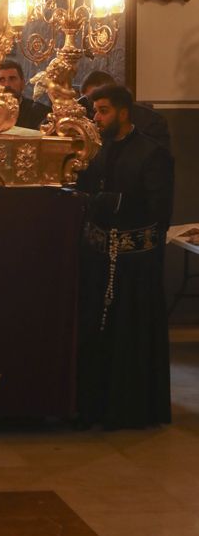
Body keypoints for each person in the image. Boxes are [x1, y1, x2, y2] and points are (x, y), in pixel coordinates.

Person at [76, 83, 174, 430]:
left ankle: (131, 410)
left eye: (103, 111)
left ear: (123, 112)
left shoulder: (151, 153)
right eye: (95, 111)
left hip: (136, 267)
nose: (97, 118)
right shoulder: (98, 150)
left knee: (130, 335)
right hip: (100, 260)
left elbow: (159, 211)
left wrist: (114, 204)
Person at [79, 69, 170, 150]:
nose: (96, 118)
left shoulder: (152, 122)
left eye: (103, 110)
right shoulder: (87, 115)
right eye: (90, 100)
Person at [0, 59, 47, 129]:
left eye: (12, 79)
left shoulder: (39, 113)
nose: (7, 84)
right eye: (1, 80)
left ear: (22, 83)